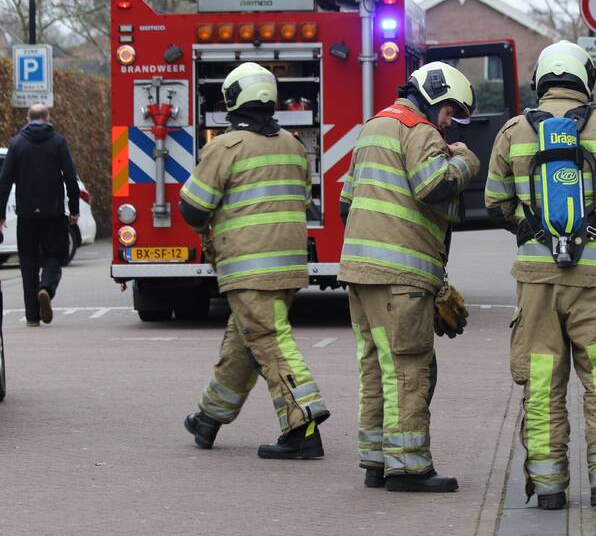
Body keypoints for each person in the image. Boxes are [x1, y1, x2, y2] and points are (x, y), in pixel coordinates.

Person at [486, 40, 596, 510]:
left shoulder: (511, 132)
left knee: (542, 378)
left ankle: (548, 487)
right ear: (585, 80)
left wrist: (528, 232)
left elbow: (493, 201)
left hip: (536, 281)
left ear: (541, 79)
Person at [339, 62, 480, 493]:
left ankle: (376, 460)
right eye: (450, 111)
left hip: (360, 273)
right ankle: (410, 467)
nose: (448, 122)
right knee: (409, 367)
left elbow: (347, 204)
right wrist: (465, 161)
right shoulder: (419, 131)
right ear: (434, 96)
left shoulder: (374, 127)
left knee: (376, 367)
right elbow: (433, 186)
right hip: (400, 277)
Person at [180, 62, 329, 459]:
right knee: (244, 342)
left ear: (232, 100)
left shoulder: (225, 147)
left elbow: (193, 209)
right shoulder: (294, 146)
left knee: (269, 341)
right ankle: (209, 418)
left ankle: (303, 426)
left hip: (247, 268)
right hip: (288, 266)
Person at [0, 104, 79, 327]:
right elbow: (71, 178)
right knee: (55, 255)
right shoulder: (58, 142)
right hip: (53, 213)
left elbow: (4, 181)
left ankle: (32, 317)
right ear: (47, 117)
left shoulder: (16, 143)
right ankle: (46, 288)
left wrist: (0, 213)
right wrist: (73, 209)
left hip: (26, 214)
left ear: (27, 118)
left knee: (28, 263)